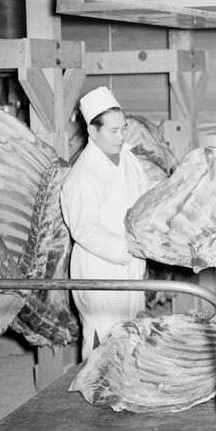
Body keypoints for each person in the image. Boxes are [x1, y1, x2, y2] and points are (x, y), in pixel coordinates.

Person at [60, 86, 151, 360]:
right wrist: (127, 249)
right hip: (100, 267)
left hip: (131, 263)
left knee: (131, 333)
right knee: (103, 340)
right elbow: (84, 229)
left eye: (123, 128)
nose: (121, 136)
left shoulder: (129, 159)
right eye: (114, 131)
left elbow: (145, 196)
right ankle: (96, 396)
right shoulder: (82, 175)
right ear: (92, 131)